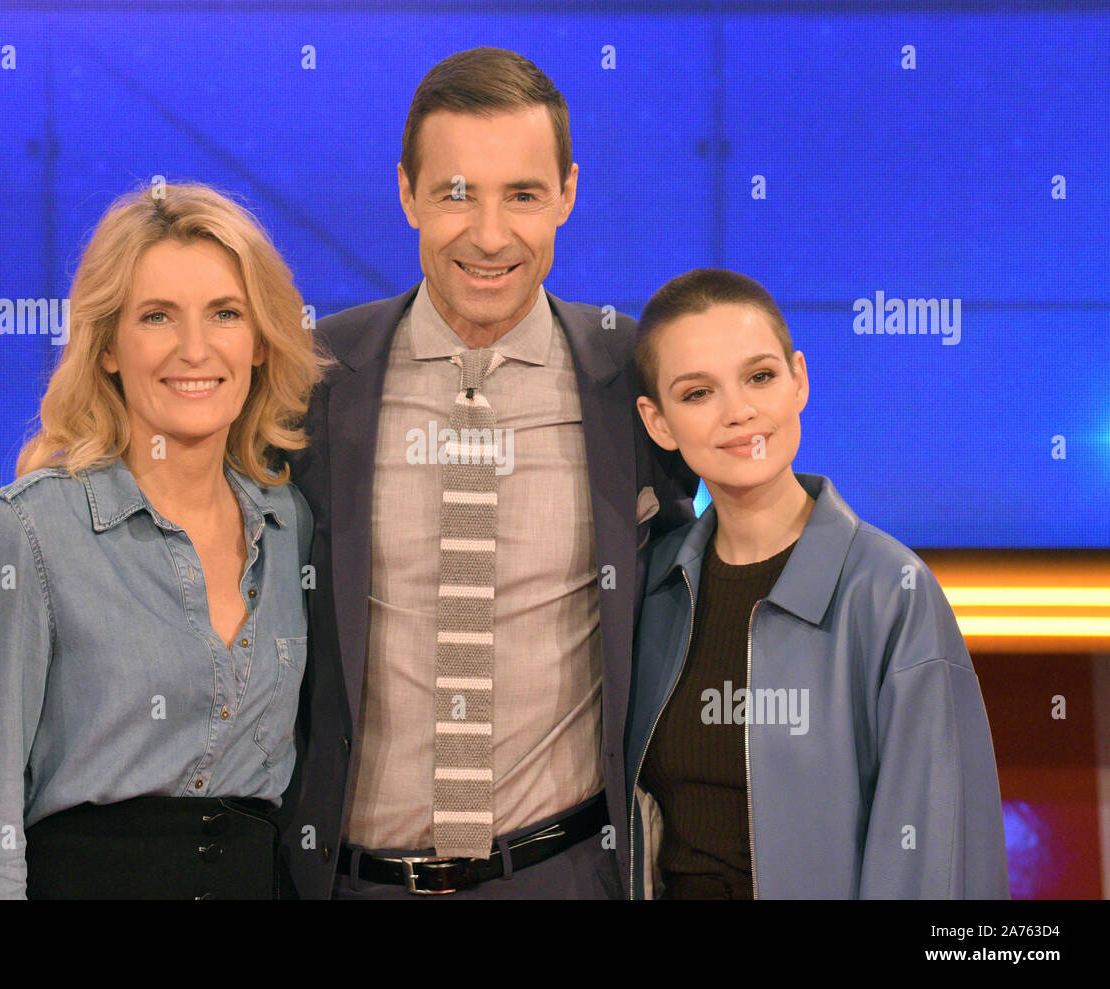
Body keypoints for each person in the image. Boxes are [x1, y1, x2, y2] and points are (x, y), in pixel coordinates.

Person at [284, 47, 697, 899]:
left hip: (568, 875)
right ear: (406, 193)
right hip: (353, 883)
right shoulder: (314, 382)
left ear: (568, 195)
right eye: (455, 193)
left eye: (523, 195)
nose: (489, 234)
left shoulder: (637, 377)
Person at [0, 182, 321, 899]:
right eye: (157, 317)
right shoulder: (34, 530)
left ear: (261, 341)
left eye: (225, 314)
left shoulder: (293, 524)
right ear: (107, 346)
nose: (194, 348)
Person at [626, 268, 1011, 898]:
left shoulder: (891, 593)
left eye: (760, 376)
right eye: (698, 393)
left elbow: (933, 859)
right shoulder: (653, 585)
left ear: (798, 379)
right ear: (658, 422)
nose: (739, 411)